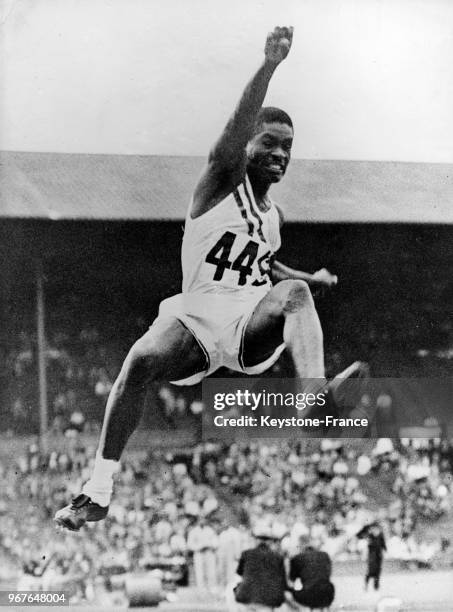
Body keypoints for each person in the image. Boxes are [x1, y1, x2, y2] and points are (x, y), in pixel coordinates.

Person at [55, 26, 367, 531]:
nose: (281, 153)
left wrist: (311, 276)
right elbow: (235, 132)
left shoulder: (273, 218)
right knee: (139, 360)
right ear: (247, 145)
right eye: (270, 142)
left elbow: (265, 264)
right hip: (197, 316)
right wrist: (269, 67)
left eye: (289, 146)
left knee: (294, 294)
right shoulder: (219, 184)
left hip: (247, 322)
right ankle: (98, 490)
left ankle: (313, 399)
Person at [232, 528, 288, 611]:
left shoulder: (246, 554)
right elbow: (283, 582)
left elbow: (239, 573)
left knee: (232, 588)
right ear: (270, 542)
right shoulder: (278, 557)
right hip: (268, 599)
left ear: (256, 540)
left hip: (246, 597)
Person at [288, 536, 335, 609]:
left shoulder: (297, 558)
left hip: (310, 595)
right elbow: (328, 574)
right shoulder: (325, 555)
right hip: (329, 594)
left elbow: (292, 580)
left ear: (300, 545)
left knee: (291, 592)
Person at [357, 522, 387, 590]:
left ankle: (376, 585)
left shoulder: (380, 535)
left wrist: (385, 550)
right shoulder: (369, 536)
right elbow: (359, 536)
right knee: (370, 571)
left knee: (378, 571)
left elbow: (383, 544)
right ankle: (366, 584)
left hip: (379, 556)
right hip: (372, 556)